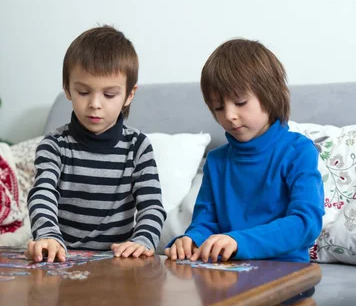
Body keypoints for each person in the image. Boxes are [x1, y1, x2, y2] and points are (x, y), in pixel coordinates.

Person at [165, 38, 324, 263]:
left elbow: (305, 223)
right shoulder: (217, 161)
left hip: (285, 275)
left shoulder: (298, 151)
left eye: (240, 102)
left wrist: (238, 241)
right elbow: (205, 223)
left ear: (270, 96)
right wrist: (191, 240)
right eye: (219, 107)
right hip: (226, 274)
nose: (229, 115)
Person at [27, 25, 166, 263]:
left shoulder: (138, 146)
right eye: (83, 92)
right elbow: (42, 194)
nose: (95, 104)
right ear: (67, 89)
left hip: (118, 262)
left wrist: (141, 240)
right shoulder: (54, 145)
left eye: (109, 95)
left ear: (129, 95)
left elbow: (152, 206)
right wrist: (48, 235)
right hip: (61, 258)